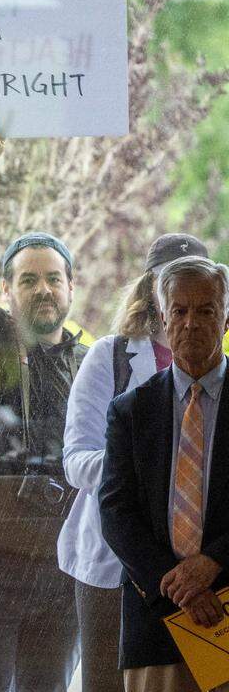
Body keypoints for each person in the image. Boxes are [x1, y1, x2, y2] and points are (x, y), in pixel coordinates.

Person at [0, 120, 87, 691]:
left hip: (61, 566)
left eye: (54, 279)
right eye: (28, 280)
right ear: (7, 291)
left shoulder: (92, 366)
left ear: (72, 288)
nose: (43, 290)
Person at [60, 234, 209, 692]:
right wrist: (141, 464)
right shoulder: (110, 356)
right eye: (172, 281)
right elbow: (75, 459)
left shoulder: (216, 365)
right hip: (113, 563)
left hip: (196, 565)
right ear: (152, 289)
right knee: (107, 682)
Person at [101, 255, 229, 692]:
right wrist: (181, 589)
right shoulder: (130, 411)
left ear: (227, 318)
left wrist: (213, 562)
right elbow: (116, 511)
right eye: (180, 311)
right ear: (163, 319)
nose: (191, 323)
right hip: (156, 616)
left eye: (206, 310)